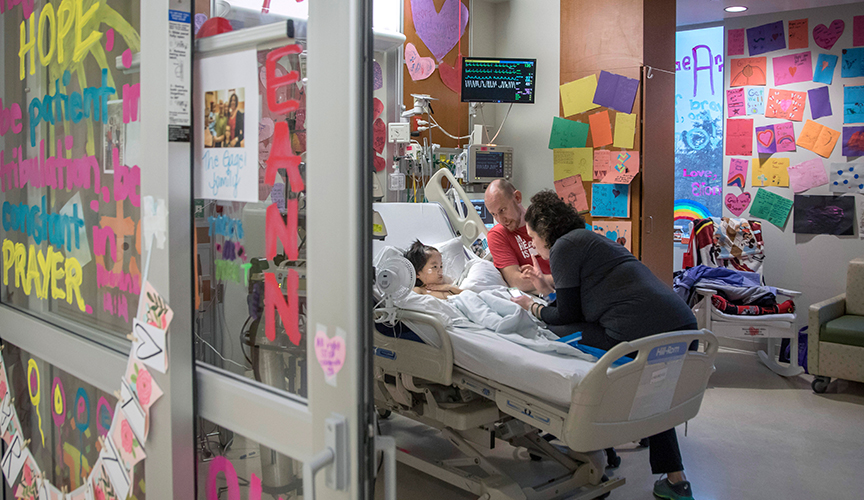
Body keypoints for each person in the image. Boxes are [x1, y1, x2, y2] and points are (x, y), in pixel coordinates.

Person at [510, 190, 699, 500]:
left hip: (642, 336)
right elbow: (589, 295)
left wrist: (531, 307)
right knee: (654, 392)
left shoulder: (563, 247)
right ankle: (676, 481)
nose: (533, 245)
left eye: (533, 237)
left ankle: (594, 443)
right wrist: (548, 288)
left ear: (544, 230)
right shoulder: (587, 238)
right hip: (681, 327)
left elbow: (568, 314)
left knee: (552, 330)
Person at [483, 180, 554, 293]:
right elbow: (516, 282)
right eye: (494, 214)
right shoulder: (497, 235)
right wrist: (559, 279)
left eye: (502, 210)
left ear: (517, 197)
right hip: (550, 292)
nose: (501, 220)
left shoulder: (546, 220)